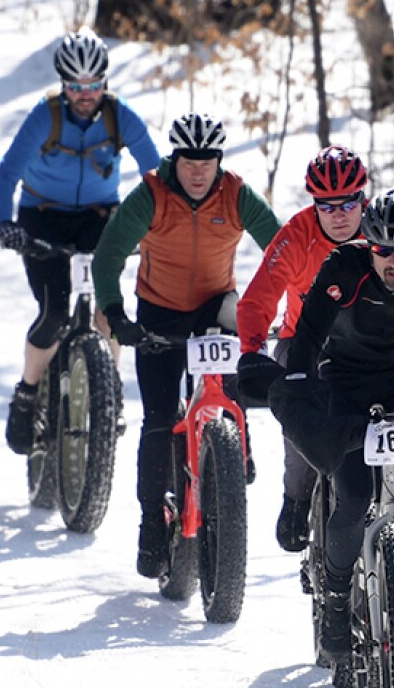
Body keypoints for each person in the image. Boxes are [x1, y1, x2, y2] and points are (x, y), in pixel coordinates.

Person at [277, 187, 394, 664]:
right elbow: (308, 335)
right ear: (369, 246)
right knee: (356, 494)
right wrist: (297, 382)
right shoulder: (342, 268)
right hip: (346, 384)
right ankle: (337, 605)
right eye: (383, 251)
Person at [93, 112, 281, 578]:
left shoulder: (236, 194)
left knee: (239, 351)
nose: (198, 171)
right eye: (189, 161)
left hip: (214, 304)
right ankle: (151, 523)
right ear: (175, 160)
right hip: (158, 310)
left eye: (208, 161)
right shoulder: (151, 195)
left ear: (219, 161)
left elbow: (281, 249)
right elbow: (109, 253)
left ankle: (236, 443)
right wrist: (117, 315)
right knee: (158, 420)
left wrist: (288, 307)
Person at [0, 27, 161, 455]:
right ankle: (28, 393)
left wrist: (160, 223)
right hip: (42, 218)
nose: (86, 95)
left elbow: (156, 175)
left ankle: (111, 392)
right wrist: (4, 223)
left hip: (98, 220)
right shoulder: (45, 117)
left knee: (110, 310)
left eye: (94, 86)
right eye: (76, 87)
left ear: (105, 81)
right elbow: (6, 175)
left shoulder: (119, 117)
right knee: (53, 313)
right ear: (64, 85)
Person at [235, 145, 369, 553]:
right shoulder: (294, 236)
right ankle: (295, 498)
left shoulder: (385, 233)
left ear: (364, 198)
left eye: (349, 203)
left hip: (370, 343)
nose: (340, 215)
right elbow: (257, 301)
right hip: (303, 341)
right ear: (314, 205)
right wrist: (252, 352)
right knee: (301, 422)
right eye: (327, 206)